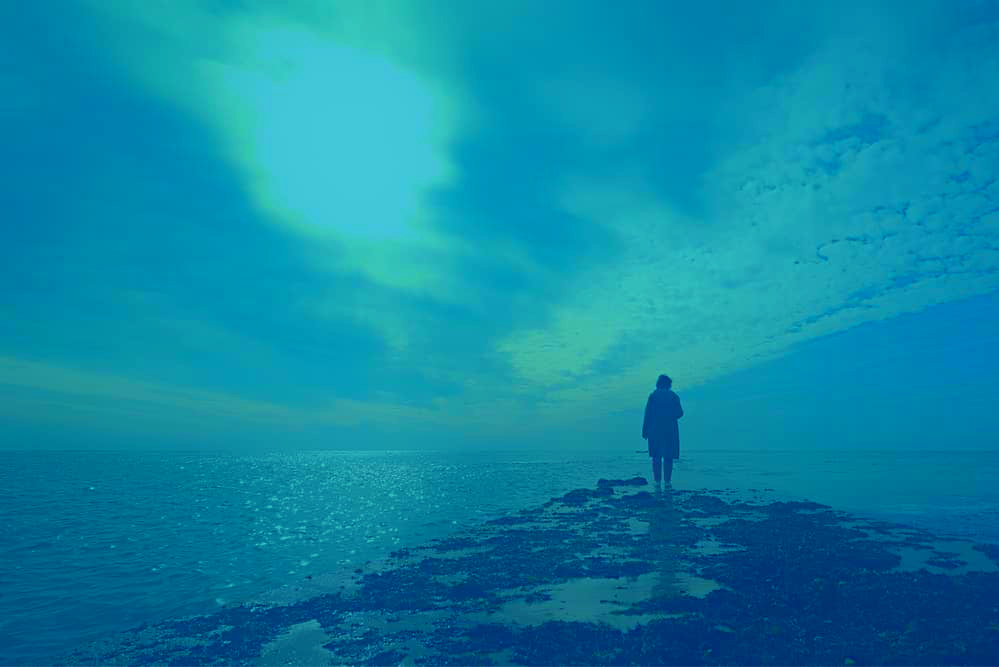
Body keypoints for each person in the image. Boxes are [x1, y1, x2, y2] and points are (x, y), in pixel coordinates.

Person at [642, 374, 683, 486]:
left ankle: (657, 483)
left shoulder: (653, 396)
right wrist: (669, 416)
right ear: (669, 384)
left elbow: (648, 414)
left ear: (658, 383)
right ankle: (668, 483)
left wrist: (644, 430)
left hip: (654, 430)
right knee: (668, 456)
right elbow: (680, 413)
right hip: (670, 430)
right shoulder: (674, 396)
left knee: (656, 456)